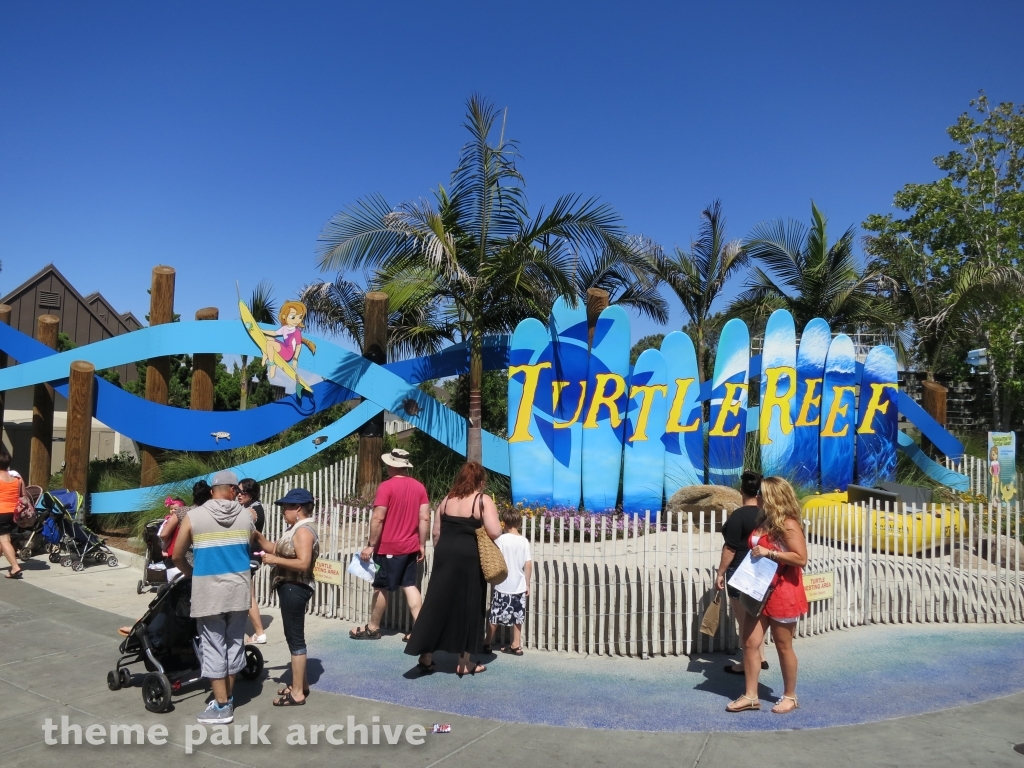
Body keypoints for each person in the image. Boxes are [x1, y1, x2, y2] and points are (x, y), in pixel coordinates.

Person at [405, 461, 501, 677]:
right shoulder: (481, 500)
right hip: (469, 557)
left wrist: (442, 553)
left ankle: (426, 655)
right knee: (469, 604)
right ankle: (464, 663)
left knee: (436, 603)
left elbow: (436, 533)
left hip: (444, 554)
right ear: (480, 481)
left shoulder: (447, 500)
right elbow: (495, 532)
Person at [173, 470, 254, 725]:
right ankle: (227, 696)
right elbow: (249, 546)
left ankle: (221, 706)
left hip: (208, 590)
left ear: (212, 491)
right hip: (239, 588)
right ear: (233, 490)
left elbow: (177, 555)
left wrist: (191, 573)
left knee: (213, 644)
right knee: (234, 643)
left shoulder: (194, 516)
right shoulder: (247, 515)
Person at [726, 476, 809, 715]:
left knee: (783, 645)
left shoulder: (788, 524)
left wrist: (769, 553)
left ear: (772, 497)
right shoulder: (763, 519)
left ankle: (790, 696)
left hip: (782, 590)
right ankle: (751, 695)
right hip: (757, 589)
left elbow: (801, 558)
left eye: (762, 493)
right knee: (750, 642)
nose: (757, 496)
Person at [349, 449, 429, 641]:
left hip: (388, 548)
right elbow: (425, 518)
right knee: (409, 585)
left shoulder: (386, 487)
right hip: (410, 547)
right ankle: (420, 631)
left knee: (380, 587)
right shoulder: (419, 487)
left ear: (391, 465)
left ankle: (373, 627)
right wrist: (422, 544)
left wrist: (370, 545)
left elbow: (378, 517)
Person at [254, 488, 319, 707]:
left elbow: (303, 563)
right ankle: (301, 684)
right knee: (292, 637)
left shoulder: (303, 531)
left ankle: (297, 693)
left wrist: (275, 561)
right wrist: (258, 537)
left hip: (295, 587)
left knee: (295, 639)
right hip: (291, 587)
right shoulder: (295, 529)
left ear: (298, 508)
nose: (283, 512)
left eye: (286, 508)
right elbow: (276, 548)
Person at [715, 470, 767, 674]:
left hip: (740, 571)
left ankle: (747, 663)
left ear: (741, 490)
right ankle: (761, 656)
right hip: (761, 568)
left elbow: (730, 548)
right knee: (757, 615)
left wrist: (720, 572)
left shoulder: (738, 516)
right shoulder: (765, 514)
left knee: (744, 620)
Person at [484, 506, 532, 655]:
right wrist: (527, 583)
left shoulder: (500, 540)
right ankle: (516, 645)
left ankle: (487, 642)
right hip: (519, 585)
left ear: (504, 523)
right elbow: (528, 564)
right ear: (519, 523)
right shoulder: (524, 541)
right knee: (518, 616)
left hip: (502, 584)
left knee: (495, 615)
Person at [238, 478, 268, 644]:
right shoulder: (252, 507)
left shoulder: (251, 511)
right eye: (238, 491)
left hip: (250, 555)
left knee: (248, 595)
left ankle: (259, 632)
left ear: (251, 493)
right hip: (251, 555)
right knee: (248, 594)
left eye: (243, 492)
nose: (239, 495)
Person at [0, 446, 26, 579]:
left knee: (4, 540)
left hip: (1, 512)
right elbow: (23, 495)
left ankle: (15, 567)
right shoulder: (17, 478)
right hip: (13, 512)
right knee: (4, 538)